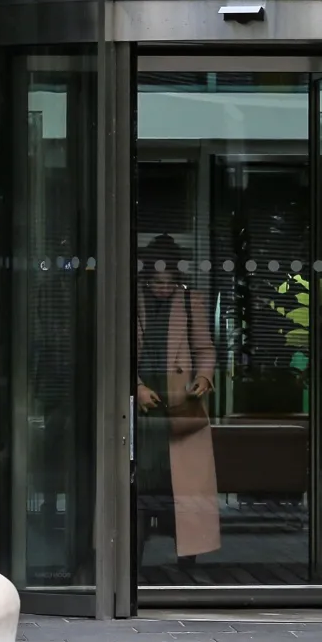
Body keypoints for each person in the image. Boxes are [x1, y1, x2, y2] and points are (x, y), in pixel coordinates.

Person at [134, 234, 221, 566]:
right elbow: (118, 353)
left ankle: (189, 559)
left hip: (180, 396)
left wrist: (204, 377)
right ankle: (133, 557)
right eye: (156, 281)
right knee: (140, 478)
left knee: (185, 484)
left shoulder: (190, 301)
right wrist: (136, 386)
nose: (162, 288)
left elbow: (205, 349)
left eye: (169, 281)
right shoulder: (130, 300)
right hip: (144, 397)